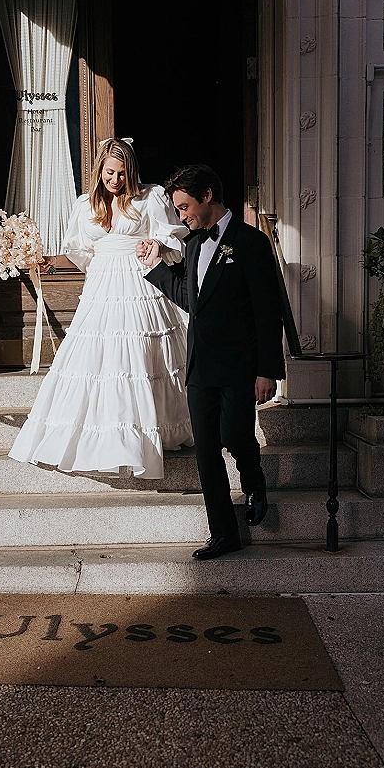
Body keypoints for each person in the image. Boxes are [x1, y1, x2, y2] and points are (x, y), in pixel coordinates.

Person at [8, 138, 194, 479]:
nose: (116, 180)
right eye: (110, 172)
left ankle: (149, 437)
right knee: (96, 360)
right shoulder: (84, 205)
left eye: (123, 173)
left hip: (139, 282)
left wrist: (154, 242)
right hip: (102, 287)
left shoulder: (149, 196)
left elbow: (174, 237)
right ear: (99, 170)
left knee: (137, 355)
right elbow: (81, 253)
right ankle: (99, 440)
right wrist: (46, 261)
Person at [137, 164, 285, 559]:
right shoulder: (192, 245)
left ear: (207, 196)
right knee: (205, 452)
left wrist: (267, 370)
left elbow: (267, 312)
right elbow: (191, 301)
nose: (181, 216)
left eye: (185, 207)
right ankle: (223, 533)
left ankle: (253, 480)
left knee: (236, 437)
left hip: (240, 365)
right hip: (200, 365)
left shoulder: (251, 242)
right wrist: (155, 267)